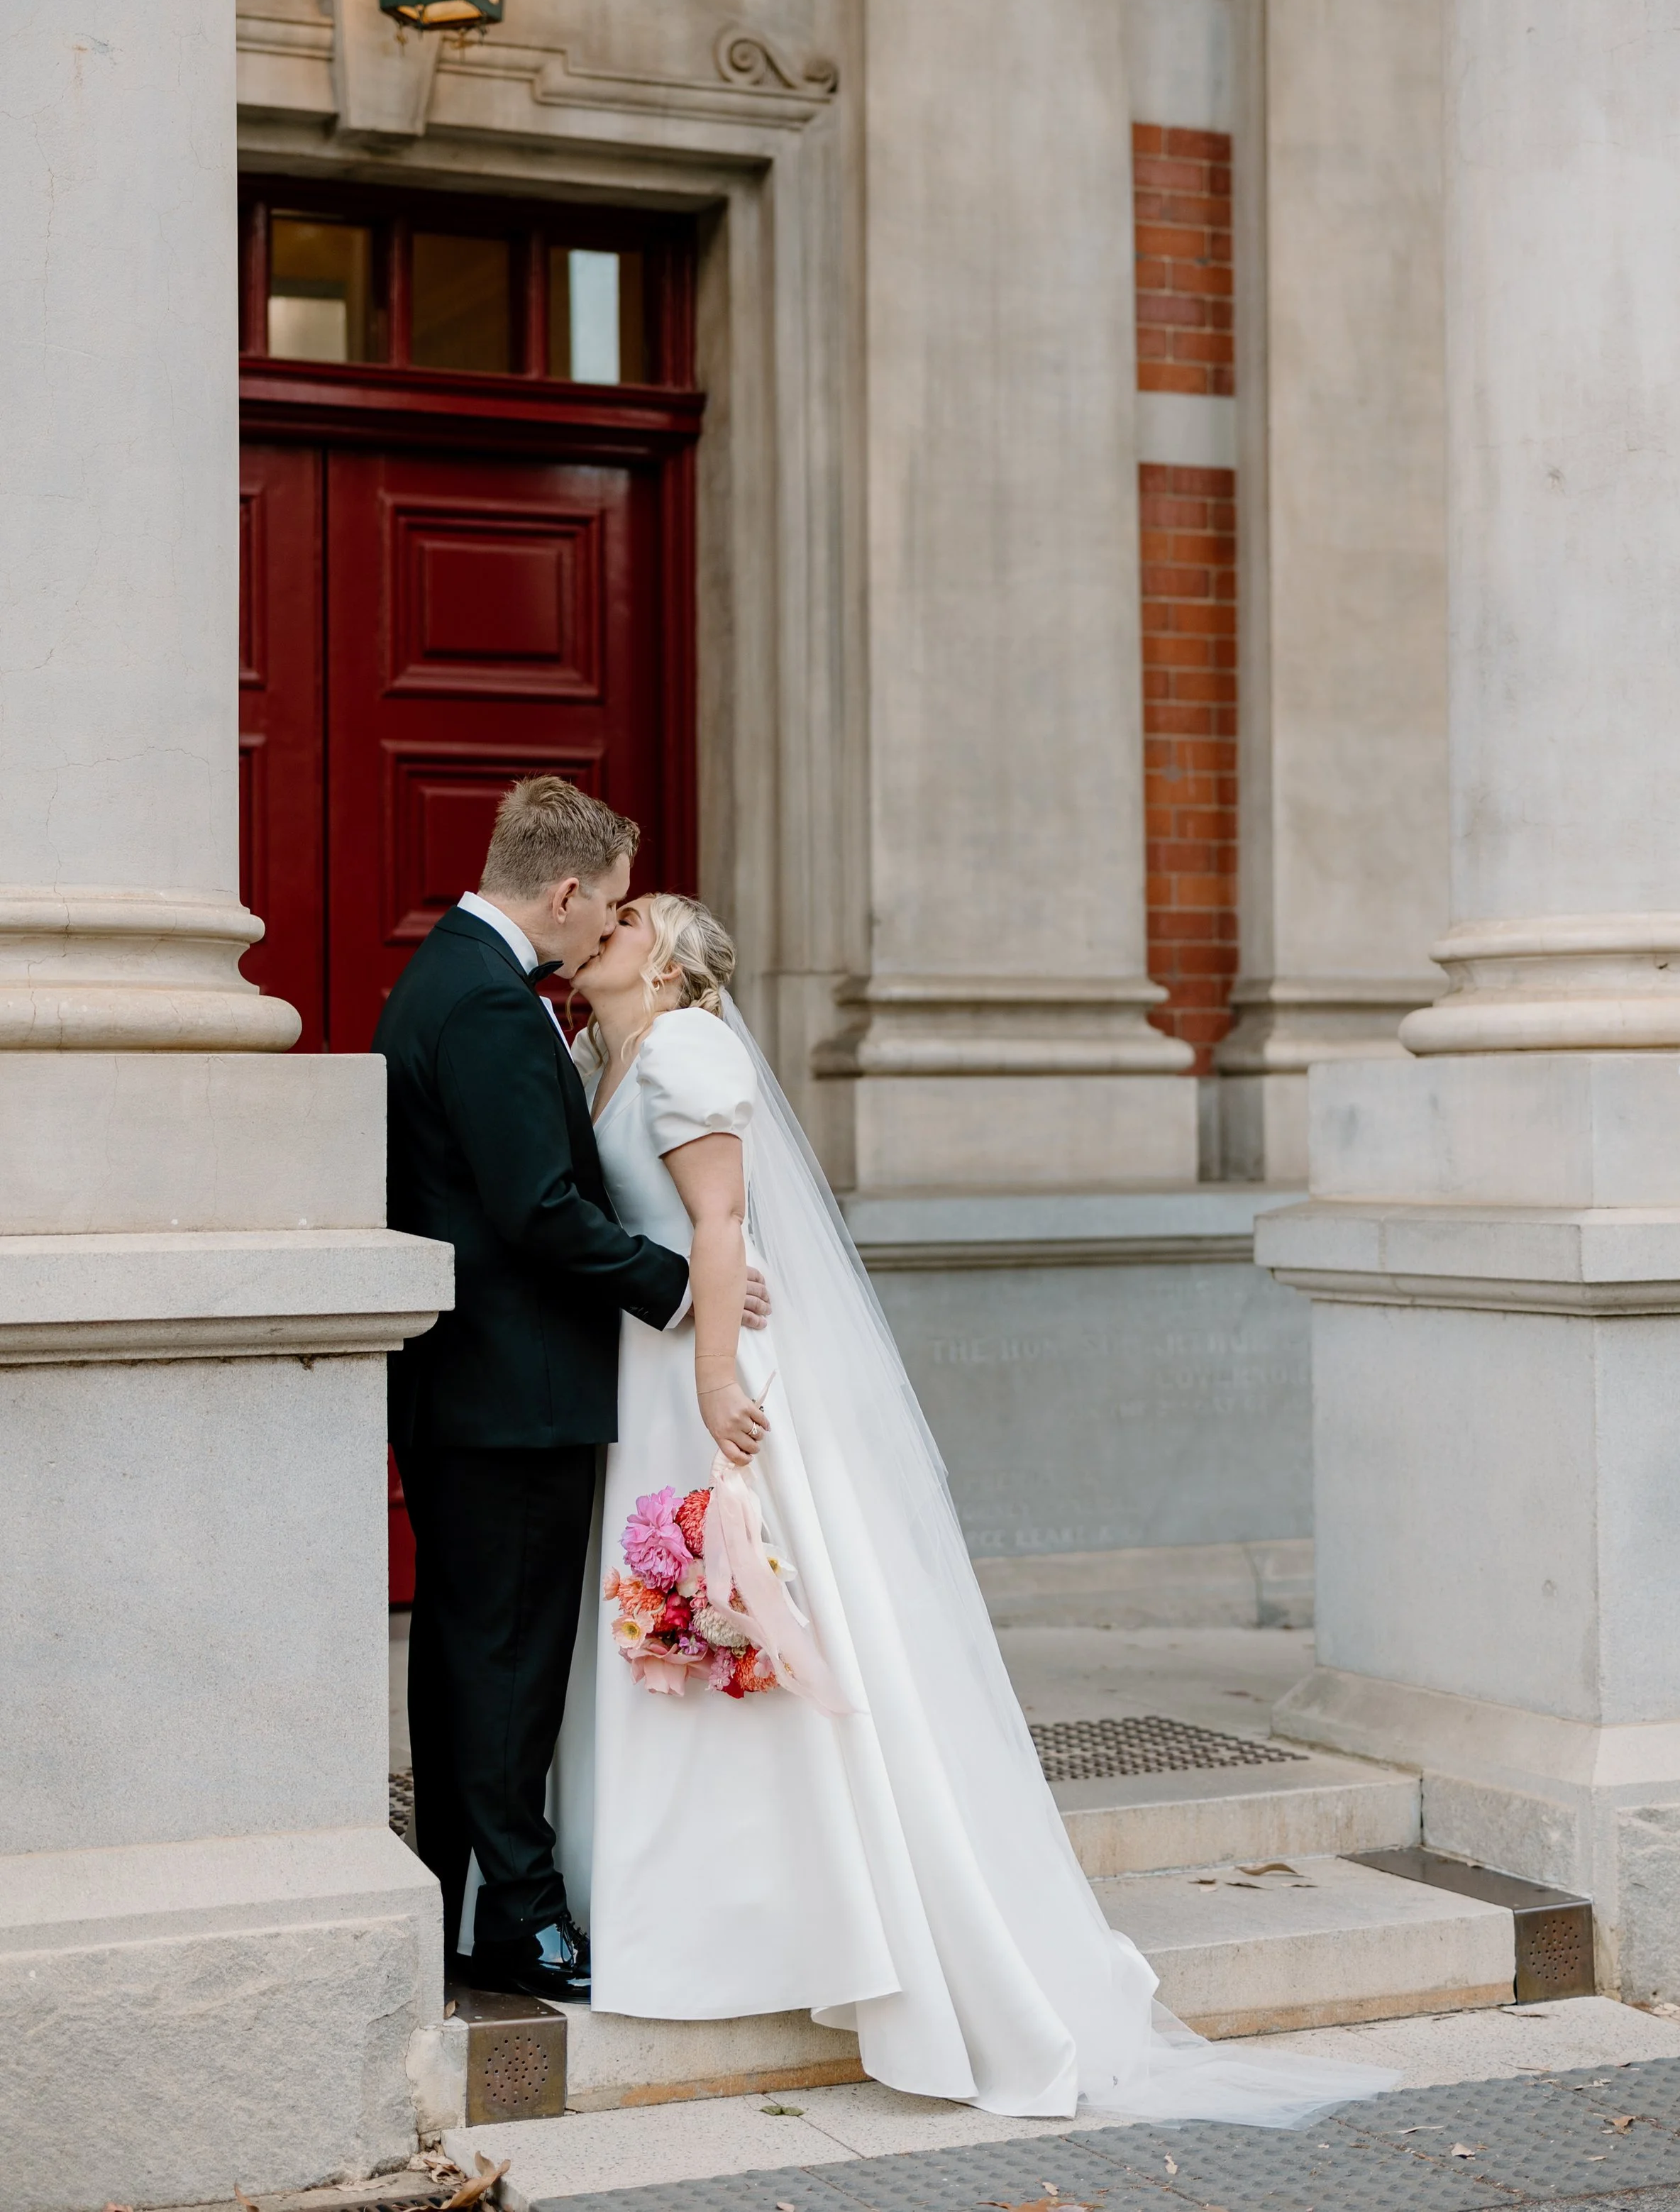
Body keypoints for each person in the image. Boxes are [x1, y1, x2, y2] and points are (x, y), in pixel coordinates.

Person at [548, 887, 1400, 2128]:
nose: (610, 926)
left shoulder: (685, 1046)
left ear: (671, 967)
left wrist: (720, 1372)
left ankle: (822, 1927)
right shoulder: (602, 1054)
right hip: (649, 1368)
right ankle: (687, 1915)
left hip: (706, 1374)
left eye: (633, 919)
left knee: (761, 1620)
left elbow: (722, 1220)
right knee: (685, 1625)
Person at [375, 778, 768, 2001]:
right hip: (513, 1396)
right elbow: (537, 1212)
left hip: (476, 1391)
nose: (604, 929)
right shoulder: (490, 1003)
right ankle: (527, 1927)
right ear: (562, 889)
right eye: (602, 905)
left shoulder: (450, 976)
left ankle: (451, 1891)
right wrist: (685, 1289)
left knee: (464, 1656)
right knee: (505, 1666)